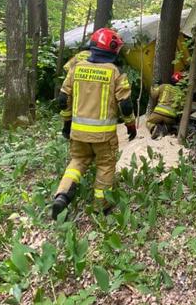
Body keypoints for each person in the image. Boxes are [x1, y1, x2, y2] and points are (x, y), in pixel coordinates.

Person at [52, 28, 136, 220]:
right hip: (103, 136)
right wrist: (131, 126)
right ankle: (100, 207)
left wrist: (67, 125)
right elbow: (126, 104)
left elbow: (63, 99)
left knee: (77, 163)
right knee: (105, 166)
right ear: (112, 49)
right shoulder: (115, 72)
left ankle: (62, 196)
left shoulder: (76, 68)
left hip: (78, 133)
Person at [146, 72, 185, 139]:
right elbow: (181, 107)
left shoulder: (163, 86)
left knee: (149, 122)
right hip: (171, 116)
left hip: (159, 113)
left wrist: (154, 86)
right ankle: (165, 129)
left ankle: (154, 128)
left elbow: (153, 95)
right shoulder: (180, 92)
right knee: (169, 125)